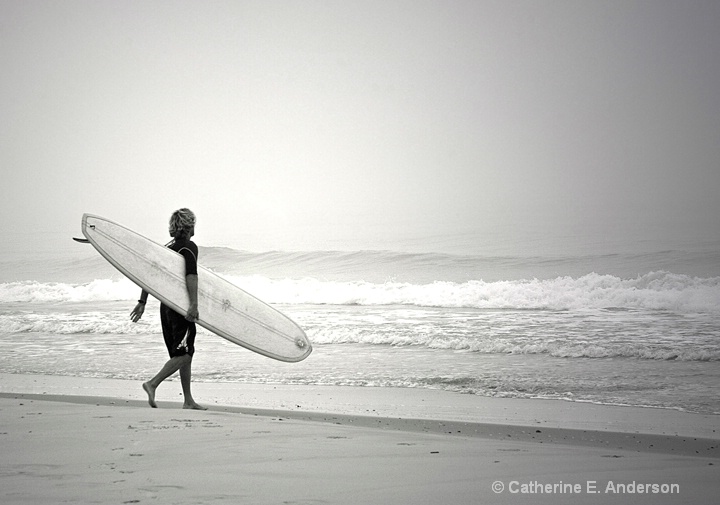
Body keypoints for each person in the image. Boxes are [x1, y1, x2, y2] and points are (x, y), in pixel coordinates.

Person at [130, 208, 206, 410]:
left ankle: (188, 400)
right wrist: (194, 304)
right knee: (185, 354)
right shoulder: (189, 247)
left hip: (166, 307)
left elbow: (149, 276)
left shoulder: (167, 248)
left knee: (182, 354)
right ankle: (152, 384)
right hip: (181, 308)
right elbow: (192, 275)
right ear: (190, 227)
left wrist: (142, 301)